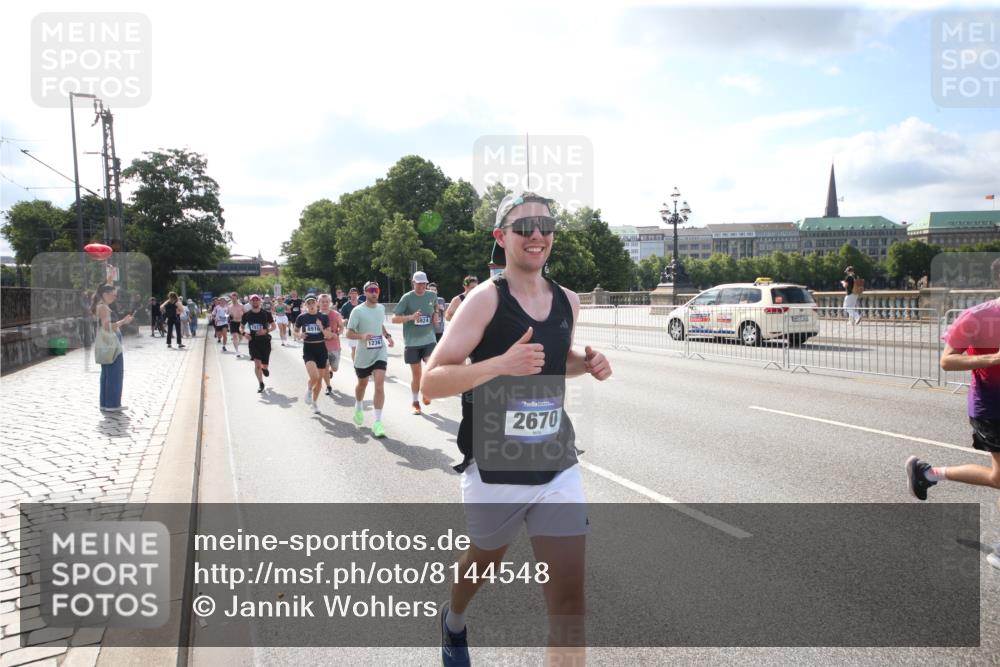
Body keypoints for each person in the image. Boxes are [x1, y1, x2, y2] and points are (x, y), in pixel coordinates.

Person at [422, 191, 612, 666]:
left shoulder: (567, 300)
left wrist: (584, 363)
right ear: (501, 237)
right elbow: (431, 382)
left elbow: (548, 363)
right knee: (480, 565)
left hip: (555, 463)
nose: (536, 235)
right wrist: (500, 364)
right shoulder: (484, 301)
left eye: (545, 226)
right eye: (523, 227)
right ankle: (454, 620)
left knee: (569, 605)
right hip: (496, 467)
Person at [906, 257, 1000, 571]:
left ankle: (928, 474)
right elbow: (947, 362)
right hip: (992, 408)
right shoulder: (977, 317)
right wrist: (993, 359)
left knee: (998, 478)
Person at [346, 280, 394, 437]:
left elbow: (379, 324)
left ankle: (377, 423)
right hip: (363, 354)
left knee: (379, 385)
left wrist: (387, 336)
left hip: (379, 351)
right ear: (365, 293)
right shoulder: (358, 311)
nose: (374, 292)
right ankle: (359, 406)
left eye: (376, 290)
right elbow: (349, 333)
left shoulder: (381, 308)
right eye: (371, 290)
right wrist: (362, 336)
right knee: (362, 384)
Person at [392, 271, 440, 414]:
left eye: (424, 283)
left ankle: (426, 391)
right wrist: (411, 317)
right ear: (413, 283)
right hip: (412, 342)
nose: (421, 286)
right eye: (418, 283)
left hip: (429, 339)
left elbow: (435, 307)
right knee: (416, 374)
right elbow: (394, 318)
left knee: (431, 366)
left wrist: (435, 315)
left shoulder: (432, 295)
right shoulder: (407, 298)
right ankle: (415, 402)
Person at [93, 285, 134, 412]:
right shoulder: (104, 307)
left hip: (106, 344)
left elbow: (104, 287)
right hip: (112, 345)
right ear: (105, 294)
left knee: (107, 374)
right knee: (114, 374)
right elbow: (107, 327)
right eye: (113, 294)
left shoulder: (99, 304)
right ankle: (112, 404)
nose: (115, 297)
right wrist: (124, 321)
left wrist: (110, 277)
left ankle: (106, 403)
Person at [294, 295, 335, 414]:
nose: (311, 305)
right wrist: (299, 335)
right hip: (308, 349)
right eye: (308, 303)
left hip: (321, 348)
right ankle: (308, 390)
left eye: (313, 303)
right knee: (314, 376)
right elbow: (295, 332)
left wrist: (321, 327)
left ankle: (315, 403)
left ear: (317, 304)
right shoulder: (301, 317)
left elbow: (329, 335)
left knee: (320, 380)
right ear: (305, 305)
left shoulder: (323, 317)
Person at [240, 294, 276, 393]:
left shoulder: (266, 314)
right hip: (253, 342)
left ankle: (265, 368)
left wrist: (266, 331)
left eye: (257, 300)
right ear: (250, 302)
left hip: (265, 342)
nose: (255, 302)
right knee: (257, 364)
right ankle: (261, 383)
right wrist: (244, 334)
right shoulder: (247, 315)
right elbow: (241, 327)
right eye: (253, 300)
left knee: (264, 365)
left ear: (260, 302)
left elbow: (273, 326)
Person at [318, 293, 345, 396]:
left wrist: (337, 334)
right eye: (322, 301)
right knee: (324, 366)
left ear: (330, 303)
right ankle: (328, 386)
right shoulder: (316, 315)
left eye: (326, 302)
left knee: (335, 368)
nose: (324, 303)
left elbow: (341, 327)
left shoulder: (335, 314)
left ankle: (330, 371)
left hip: (334, 345)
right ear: (318, 303)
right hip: (322, 346)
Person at [340, 287, 362, 362]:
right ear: (349, 295)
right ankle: (356, 365)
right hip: (351, 330)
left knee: (364, 349)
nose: (354, 295)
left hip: (362, 329)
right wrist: (344, 320)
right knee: (354, 349)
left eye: (355, 294)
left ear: (357, 294)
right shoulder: (346, 306)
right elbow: (341, 319)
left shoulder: (362, 304)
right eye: (352, 294)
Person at [227, 292, 245, 358]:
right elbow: (227, 314)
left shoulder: (241, 305)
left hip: (240, 323)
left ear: (237, 298)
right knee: (234, 336)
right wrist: (229, 315)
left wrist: (244, 320)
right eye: (232, 298)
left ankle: (237, 345)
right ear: (231, 298)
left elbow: (245, 313)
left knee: (240, 337)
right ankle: (237, 351)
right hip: (233, 322)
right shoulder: (229, 306)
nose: (233, 299)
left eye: (235, 298)